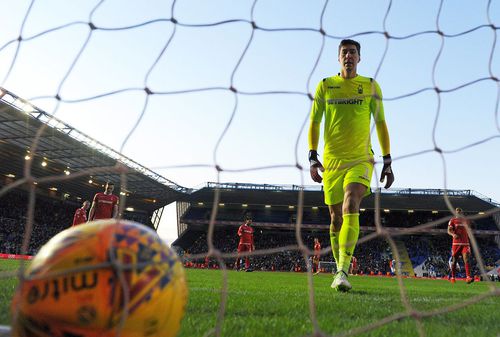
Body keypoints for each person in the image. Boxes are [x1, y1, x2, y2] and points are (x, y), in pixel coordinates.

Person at [308, 39, 394, 292]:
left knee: (351, 202)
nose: (348, 56)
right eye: (344, 52)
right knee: (335, 219)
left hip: (361, 158)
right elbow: (314, 122)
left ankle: (344, 270)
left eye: (353, 52)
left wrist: (387, 160)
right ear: (338, 58)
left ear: (359, 58)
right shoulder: (325, 85)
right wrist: (312, 156)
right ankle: (339, 267)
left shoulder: (369, 86)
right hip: (332, 161)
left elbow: (380, 123)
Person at [448, 207, 474, 284]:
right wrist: (453, 235)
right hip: (456, 244)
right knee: (454, 261)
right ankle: (453, 277)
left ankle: (468, 277)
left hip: (465, 243)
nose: (458, 212)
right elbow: (449, 231)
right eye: (457, 211)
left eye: (460, 211)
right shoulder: (452, 221)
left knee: (466, 259)